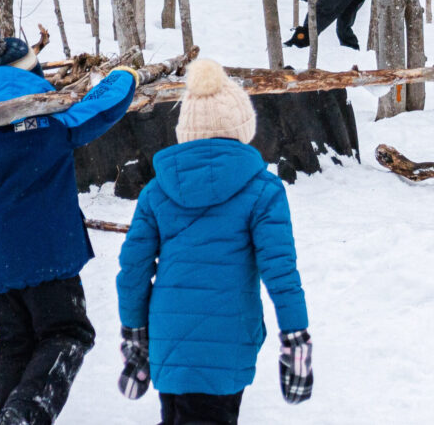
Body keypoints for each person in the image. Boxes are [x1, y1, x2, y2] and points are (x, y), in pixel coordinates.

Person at [0, 33, 139, 425]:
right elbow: (101, 107)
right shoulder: (55, 119)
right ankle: (23, 418)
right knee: (67, 335)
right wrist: (125, 75)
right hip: (51, 257)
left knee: (14, 347)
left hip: (0, 264)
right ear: (32, 69)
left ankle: (8, 418)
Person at [116, 59, 312, 425]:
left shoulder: (156, 191)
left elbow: (133, 273)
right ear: (242, 126)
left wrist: (135, 338)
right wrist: (295, 339)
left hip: (168, 338)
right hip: (229, 342)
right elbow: (281, 273)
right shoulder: (263, 191)